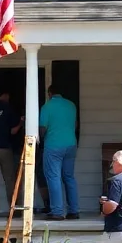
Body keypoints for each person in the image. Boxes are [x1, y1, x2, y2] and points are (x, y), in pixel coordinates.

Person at [39, 85, 79, 220]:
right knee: (69, 177)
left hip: (53, 145)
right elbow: (75, 125)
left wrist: (40, 137)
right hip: (71, 144)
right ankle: (74, 210)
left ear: (49, 93)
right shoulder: (71, 105)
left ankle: (57, 211)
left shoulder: (47, 107)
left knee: (53, 177)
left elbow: (42, 129)